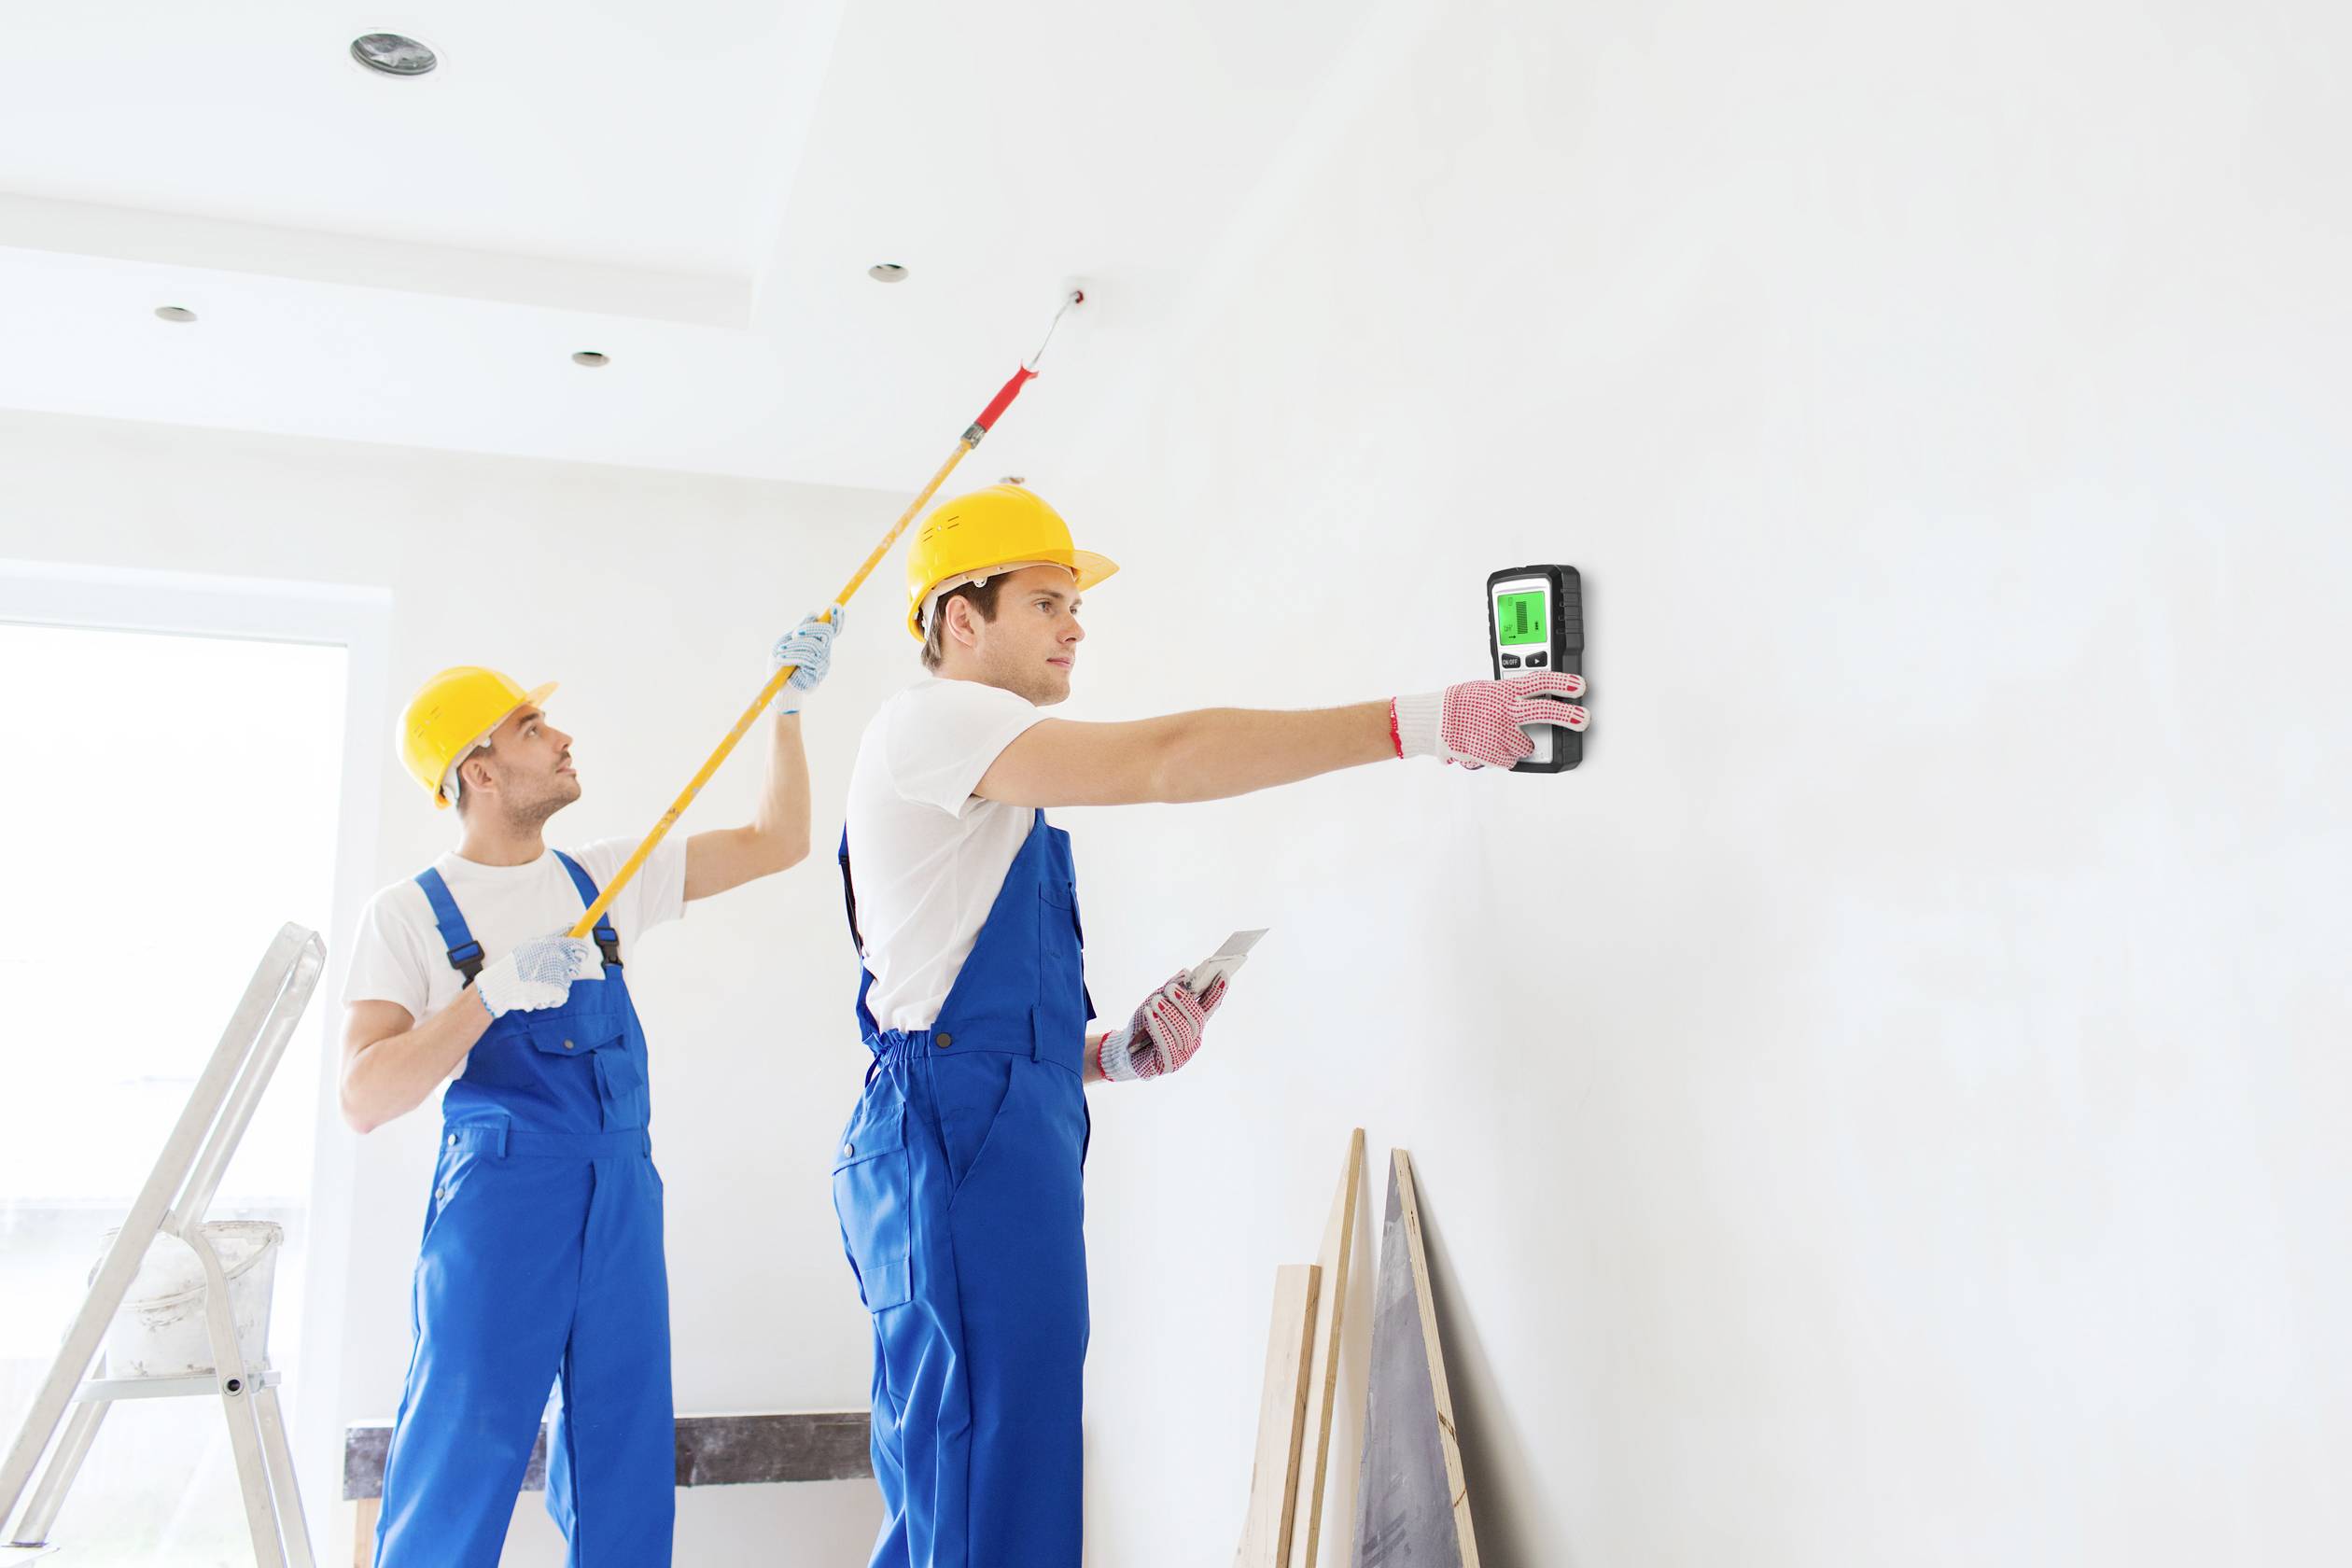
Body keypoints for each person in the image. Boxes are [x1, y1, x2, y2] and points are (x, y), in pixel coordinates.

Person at [833, 485, 1587, 1566]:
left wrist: (1108, 1054)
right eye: (1047, 602)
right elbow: (1168, 759)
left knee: (1011, 1461)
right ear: (961, 618)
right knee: (977, 1473)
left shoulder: (987, 774)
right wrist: (1415, 724)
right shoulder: (934, 723)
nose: (1075, 624)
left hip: (990, 1126)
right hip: (953, 1139)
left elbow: (941, 990)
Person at [341, 610, 842, 1567]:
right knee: (461, 1453)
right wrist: (487, 998)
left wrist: (787, 711)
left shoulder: (602, 877)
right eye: (532, 728)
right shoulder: (408, 915)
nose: (563, 737)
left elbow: (778, 841)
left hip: (620, 1190)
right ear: (478, 772)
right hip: (501, 1202)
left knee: (623, 1456)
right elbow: (364, 1096)